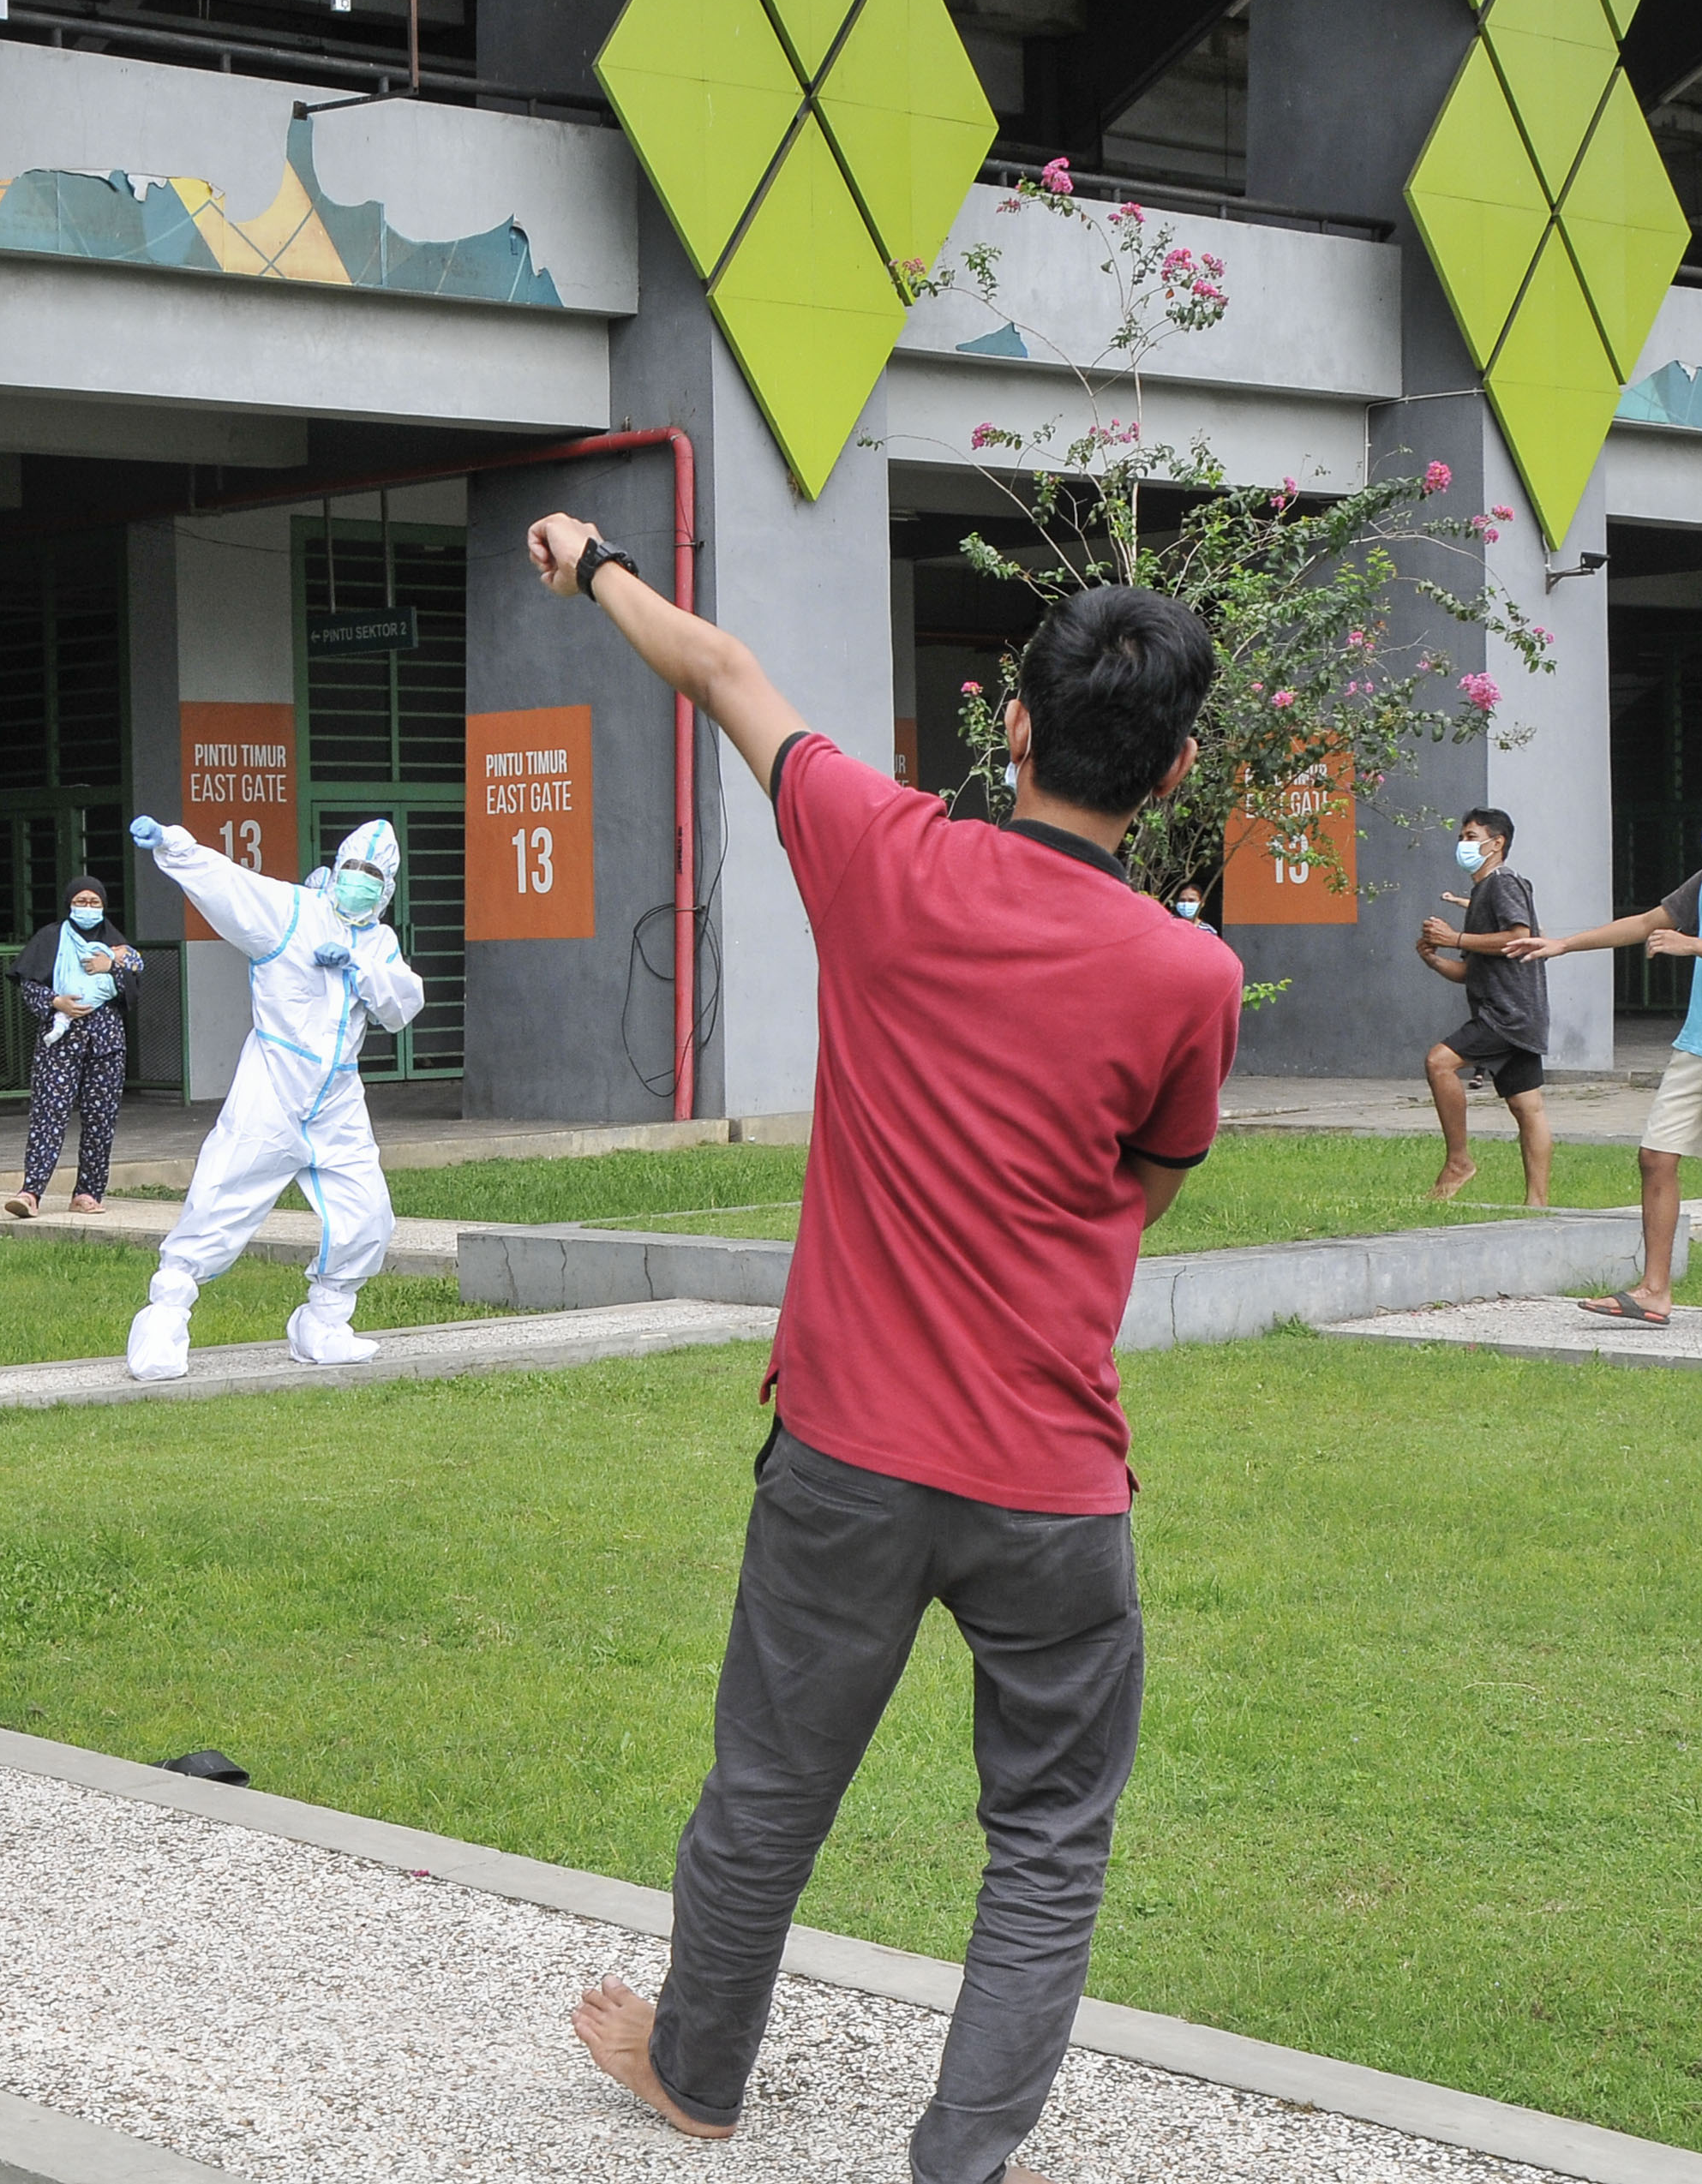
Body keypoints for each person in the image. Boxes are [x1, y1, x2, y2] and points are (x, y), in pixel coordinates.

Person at [527, 512, 1240, 2184]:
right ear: (1176, 769)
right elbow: (1145, 1181)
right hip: (1052, 1481)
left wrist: (593, 556)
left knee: (767, 1786)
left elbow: (720, 669)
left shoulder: (880, 846)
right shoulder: (1189, 975)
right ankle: (959, 2161)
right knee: (1046, 1840)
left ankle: (696, 2068)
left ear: (1013, 725)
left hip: (844, 1450)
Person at [1511, 769, 1702, 1339]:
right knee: (1655, 1155)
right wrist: (1562, 944)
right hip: (1700, 1042)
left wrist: (1694, 944)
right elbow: (1647, 923)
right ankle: (1652, 1291)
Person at [119, 813, 425, 1381]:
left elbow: (401, 1005)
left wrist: (359, 966)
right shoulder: (291, 913)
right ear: (336, 868)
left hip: (336, 1099)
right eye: (353, 869)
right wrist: (175, 846)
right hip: (273, 1088)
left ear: (386, 890)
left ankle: (325, 1323)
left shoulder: (379, 942)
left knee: (368, 1216)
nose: (359, 883)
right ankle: (163, 1321)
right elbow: (231, 886)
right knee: (220, 1200)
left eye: (372, 877)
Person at [1414, 806, 1550, 1206]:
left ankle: (1458, 1161)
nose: (1463, 844)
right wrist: (1434, 959)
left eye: (1471, 837)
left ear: (1497, 843)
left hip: (1507, 1014)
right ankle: (1537, 1204)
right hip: (1519, 1013)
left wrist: (1455, 938)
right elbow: (1470, 973)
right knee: (1527, 1106)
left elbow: (1518, 938)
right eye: (1461, 837)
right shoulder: (1481, 893)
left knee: (1439, 1062)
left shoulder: (1502, 883)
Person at [7, 875, 142, 1218]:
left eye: (94, 902)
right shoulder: (50, 938)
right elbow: (29, 985)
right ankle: (30, 1192)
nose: (87, 908)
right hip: (61, 1044)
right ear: (69, 904)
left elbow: (132, 987)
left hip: (106, 1045)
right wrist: (57, 1002)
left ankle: (88, 1193)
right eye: (81, 901)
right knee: (48, 1113)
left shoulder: (116, 944)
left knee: (100, 1119)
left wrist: (111, 966)